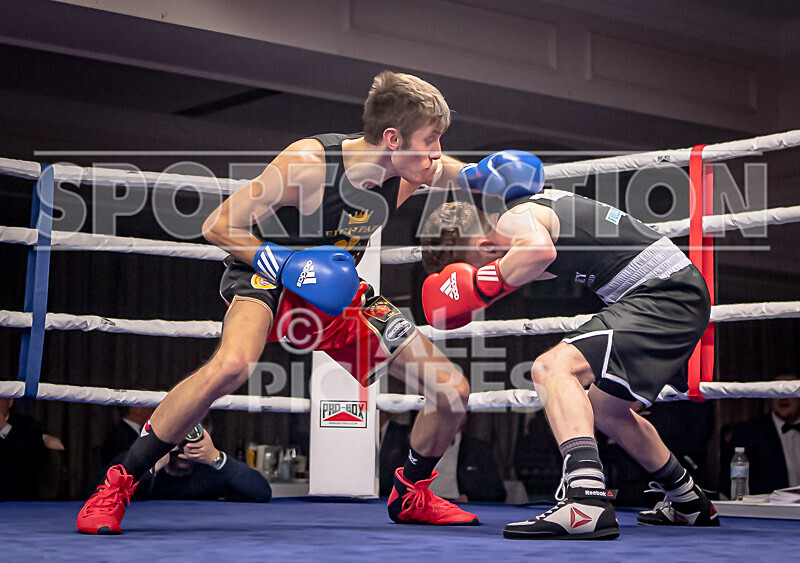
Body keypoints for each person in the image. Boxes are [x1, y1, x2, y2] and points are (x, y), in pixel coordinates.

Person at [77, 71, 540, 534]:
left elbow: (450, 171)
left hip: (338, 293)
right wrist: (288, 264)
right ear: (393, 138)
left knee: (451, 389)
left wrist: (483, 176)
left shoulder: (407, 168)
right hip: (268, 279)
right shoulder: (310, 162)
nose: (437, 152)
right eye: (430, 140)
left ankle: (411, 493)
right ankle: (117, 485)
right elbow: (218, 225)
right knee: (232, 366)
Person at [420, 161, 719, 540]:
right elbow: (527, 257)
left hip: (663, 293)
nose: (472, 278)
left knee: (551, 368)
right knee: (607, 410)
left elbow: (538, 251)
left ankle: (586, 501)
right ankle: (688, 500)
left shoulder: (515, 219)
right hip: (667, 294)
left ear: (482, 246)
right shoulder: (526, 221)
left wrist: (477, 283)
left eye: (466, 270)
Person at [109, 423, 271, 502]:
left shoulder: (210, 466)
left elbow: (261, 493)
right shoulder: (139, 458)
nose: (184, 446)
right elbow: (100, 489)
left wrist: (216, 458)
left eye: (192, 436)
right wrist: (152, 463)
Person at [380, 413, 506, 503]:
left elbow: (497, 492)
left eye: (456, 410)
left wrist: (468, 497)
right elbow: (389, 482)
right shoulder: (410, 444)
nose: (449, 416)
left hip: (459, 505)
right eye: (445, 410)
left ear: (464, 416)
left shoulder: (479, 450)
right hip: (420, 504)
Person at [720, 374, 800, 495]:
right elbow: (727, 484)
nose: (783, 398)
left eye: (789, 391)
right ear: (769, 397)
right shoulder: (747, 432)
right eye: (778, 391)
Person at [0, 398, 48, 501]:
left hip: (18, 497)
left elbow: (36, 460)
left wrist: (4, 428)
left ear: (10, 402)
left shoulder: (28, 425)